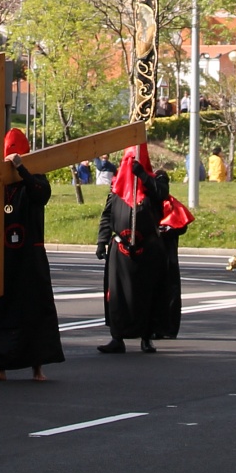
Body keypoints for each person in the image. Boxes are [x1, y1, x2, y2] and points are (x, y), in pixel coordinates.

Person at [0, 129, 63, 382]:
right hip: (2, 255)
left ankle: (37, 367)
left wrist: (23, 169)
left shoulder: (35, 177)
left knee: (35, 308)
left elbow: (41, 194)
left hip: (29, 257)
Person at [96, 143, 168, 354]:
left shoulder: (156, 180)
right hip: (121, 249)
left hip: (147, 249)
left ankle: (147, 337)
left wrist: (143, 177)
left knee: (146, 294)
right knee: (117, 295)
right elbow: (107, 215)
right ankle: (117, 337)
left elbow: (162, 195)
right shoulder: (117, 186)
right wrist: (102, 241)